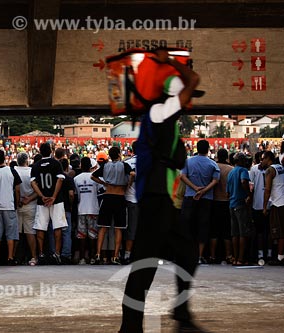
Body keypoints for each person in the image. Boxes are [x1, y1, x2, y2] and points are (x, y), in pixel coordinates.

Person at [120, 49, 206, 333]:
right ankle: (132, 326)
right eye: (186, 96)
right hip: (156, 199)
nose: (190, 100)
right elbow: (192, 79)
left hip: (162, 200)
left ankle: (180, 314)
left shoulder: (162, 117)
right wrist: (170, 62)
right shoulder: (159, 111)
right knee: (144, 266)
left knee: (187, 253)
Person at [179, 139, 220, 264]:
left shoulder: (188, 162)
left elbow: (182, 176)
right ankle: (199, 256)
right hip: (206, 199)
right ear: (208, 149)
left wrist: (195, 188)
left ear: (196, 148)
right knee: (203, 226)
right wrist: (203, 191)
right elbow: (215, 181)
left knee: (187, 226)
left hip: (190, 197)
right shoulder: (213, 164)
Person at [91, 147, 131, 265]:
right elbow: (132, 173)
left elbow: (93, 176)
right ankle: (115, 256)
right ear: (119, 154)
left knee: (103, 227)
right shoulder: (124, 165)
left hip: (108, 195)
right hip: (119, 196)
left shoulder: (105, 166)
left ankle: (98, 254)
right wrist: (129, 183)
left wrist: (103, 183)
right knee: (118, 228)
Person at [30, 143, 67, 265]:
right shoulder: (56, 163)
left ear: (40, 152)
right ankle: (57, 253)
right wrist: (53, 196)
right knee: (57, 227)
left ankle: (41, 253)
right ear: (51, 151)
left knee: (40, 227)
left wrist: (42, 196)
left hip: (42, 201)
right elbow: (60, 180)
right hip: (56, 200)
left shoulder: (36, 166)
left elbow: (33, 183)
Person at [0, 149, 21, 265]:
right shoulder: (11, 171)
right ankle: (10, 257)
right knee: (11, 234)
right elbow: (17, 189)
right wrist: (16, 203)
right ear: (4, 158)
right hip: (9, 205)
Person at [226, 152, 252, 266]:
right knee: (243, 233)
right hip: (240, 204)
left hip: (231, 204)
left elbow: (227, 192)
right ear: (240, 161)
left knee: (234, 234)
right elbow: (243, 181)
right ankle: (241, 259)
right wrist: (248, 194)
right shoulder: (243, 170)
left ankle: (235, 258)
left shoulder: (231, 172)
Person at [73, 157, 99, 264]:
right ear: (90, 166)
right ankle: (92, 257)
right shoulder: (95, 178)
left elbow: (75, 195)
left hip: (81, 209)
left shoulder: (76, 179)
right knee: (93, 235)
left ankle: (82, 258)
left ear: (80, 165)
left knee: (81, 236)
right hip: (93, 209)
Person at [210, 148, 234, 264]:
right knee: (226, 230)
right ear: (227, 157)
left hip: (214, 201)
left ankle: (213, 255)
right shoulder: (231, 169)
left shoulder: (213, 167)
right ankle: (228, 255)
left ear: (217, 156)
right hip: (227, 201)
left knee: (213, 229)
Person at [14, 152, 38, 266]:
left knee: (16, 233)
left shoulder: (13, 170)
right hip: (30, 204)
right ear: (27, 160)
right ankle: (33, 257)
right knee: (30, 233)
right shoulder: (31, 171)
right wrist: (29, 199)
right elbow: (37, 190)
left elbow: (14, 189)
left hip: (17, 205)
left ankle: (13, 256)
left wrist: (18, 200)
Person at [249, 151, 272, 262]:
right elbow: (251, 187)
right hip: (259, 204)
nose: (262, 161)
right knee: (261, 231)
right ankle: (261, 253)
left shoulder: (271, 170)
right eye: (261, 159)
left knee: (268, 231)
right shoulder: (254, 169)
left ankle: (267, 253)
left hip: (268, 204)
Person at [263, 152, 284, 266]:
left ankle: (279, 257)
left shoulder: (270, 170)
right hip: (282, 201)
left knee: (279, 232)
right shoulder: (281, 167)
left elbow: (267, 190)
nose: (262, 161)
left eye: (263, 159)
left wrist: (264, 206)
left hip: (277, 203)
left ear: (268, 159)